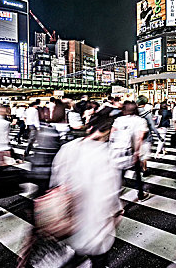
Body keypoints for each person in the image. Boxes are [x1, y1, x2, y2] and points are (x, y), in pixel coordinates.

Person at [50, 111, 122, 268]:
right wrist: (117, 212)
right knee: (98, 261)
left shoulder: (67, 148)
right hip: (95, 226)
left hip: (69, 222)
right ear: (108, 131)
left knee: (75, 254)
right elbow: (109, 196)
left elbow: (56, 181)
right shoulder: (106, 157)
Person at [110, 101, 150, 202]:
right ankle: (141, 194)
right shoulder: (140, 120)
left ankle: (114, 198)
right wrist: (137, 153)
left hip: (119, 150)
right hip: (131, 151)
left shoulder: (119, 120)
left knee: (119, 175)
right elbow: (139, 138)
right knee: (137, 175)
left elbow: (112, 134)